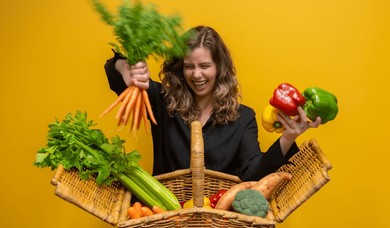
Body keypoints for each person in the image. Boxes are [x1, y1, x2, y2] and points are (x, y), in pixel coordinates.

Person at [104, 25, 321, 181]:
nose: (197, 75)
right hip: (164, 225)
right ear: (181, 68)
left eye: (205, 65)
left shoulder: (243, 118)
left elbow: (251, 173)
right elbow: (115, 76)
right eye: (189, 66)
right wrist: (126, 67)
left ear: (219, 67)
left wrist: (287, 138)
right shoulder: (162, 101)